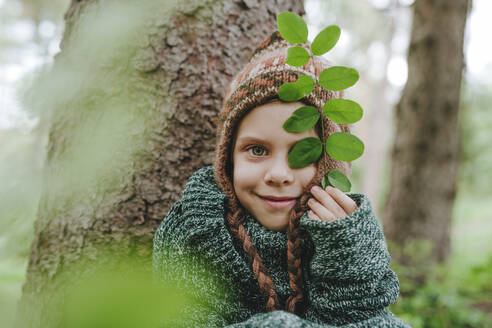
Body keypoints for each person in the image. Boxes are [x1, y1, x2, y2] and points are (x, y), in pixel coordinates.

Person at [153, 31, 411, 327]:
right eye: (257, 150)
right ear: (228, 159)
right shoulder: (192, 230)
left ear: (331, 162)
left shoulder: (348, 234)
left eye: (302, 153)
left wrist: (343, 258)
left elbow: (368, 320)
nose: (278, 174)